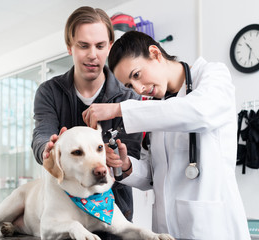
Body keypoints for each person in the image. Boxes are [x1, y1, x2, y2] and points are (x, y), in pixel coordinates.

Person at [82, 31, 251, 239]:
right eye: (129, 86)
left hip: (212, 227)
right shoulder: (155, 109)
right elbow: (153, 177)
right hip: (165, 229)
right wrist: (126, 165)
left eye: (136, 75)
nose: (138, 89)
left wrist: (120, 109)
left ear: (155, 53)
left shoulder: (212, 74)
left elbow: (201, 111)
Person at [31, 6, 143, 222]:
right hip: (61, 212)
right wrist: (48, 148)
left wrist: (119, 161)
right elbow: (41, 135)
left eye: (100, 46)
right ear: (69, 47)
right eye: (83, 46)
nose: (93, 55)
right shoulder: (49, 92)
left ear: (109, 46)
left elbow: (133, 159)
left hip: (113, 214)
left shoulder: (129, 100)